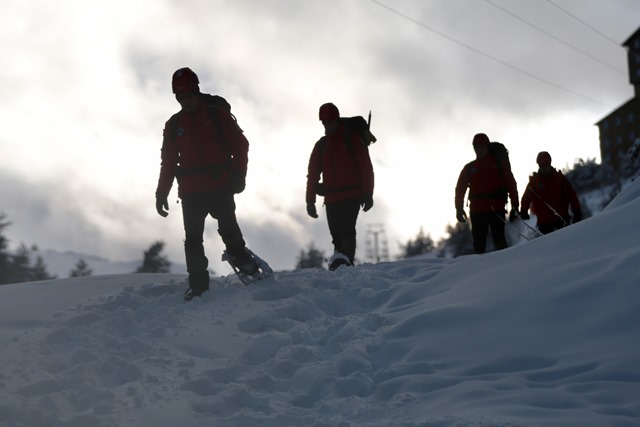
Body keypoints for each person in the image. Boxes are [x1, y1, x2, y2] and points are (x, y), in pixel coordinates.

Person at [155, 67, 259, 300]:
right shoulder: (174, 125)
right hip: (191, 192)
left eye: (188, 95)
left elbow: (241, 145)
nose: (185, 101)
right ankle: (198, 285)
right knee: (192, 239)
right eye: (180, 97)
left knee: (229, 230)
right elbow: (169, 162)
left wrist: (239, 175)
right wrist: (162, 193)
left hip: (220, 186)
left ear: (196, 90)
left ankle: (244, 262)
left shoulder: (216, 116)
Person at [306, 102, 375, 270]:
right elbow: (313, 175)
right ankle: (341, 263)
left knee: (347, 230)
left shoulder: (352, 140)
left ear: (337, 119)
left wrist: (367, 194)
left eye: (330, 121)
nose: (327, 125)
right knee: (336, 235)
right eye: (324, 122)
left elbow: (366, 168)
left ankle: (345, 263)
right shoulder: (321, 145)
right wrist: (310, 201)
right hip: (331, 198)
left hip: (352, 196)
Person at [455, 133, 519, 254]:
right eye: (476, 147)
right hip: (477, 212)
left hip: (497, 209)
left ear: (487, 146)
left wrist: (515, 206)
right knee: (479, 247)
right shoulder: (469, 168)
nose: (479, 149)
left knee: (500, 244)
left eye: (482, 146)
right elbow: (460, 188)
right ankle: (480, 271)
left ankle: (504, 268)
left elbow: (511, 184)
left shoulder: (499, 164)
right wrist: (459, 207)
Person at [520, 151, 582, 234]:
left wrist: (576, 211)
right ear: (538, 165)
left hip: (562, 219)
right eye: (541, 165)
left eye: (546, 164)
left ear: (550, 163)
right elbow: (526, 197)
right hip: (544, 223)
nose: (544, 167)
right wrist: (523, 210)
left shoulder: (559, 178)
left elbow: (571, 195)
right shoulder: (534, 181)